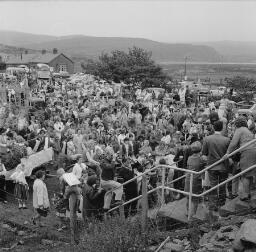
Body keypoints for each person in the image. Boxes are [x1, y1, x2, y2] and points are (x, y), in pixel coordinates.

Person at [202, 120, 230, 214]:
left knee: (213, 186)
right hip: (223, 166)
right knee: (222, 185)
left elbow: (204, 154)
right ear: (222, 128)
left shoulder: (207, 139)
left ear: (213, 128)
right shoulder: (226, 139)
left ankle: (213, 205)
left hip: (212, 166)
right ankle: (222, 204)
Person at [225, 116, 256, 201]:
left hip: (247, 152)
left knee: (245, 175)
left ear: (237, 123)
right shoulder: (247, 130)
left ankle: (246, 195)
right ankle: (248, 193)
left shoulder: (240, 130)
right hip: (253, 151)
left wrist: (227, 153)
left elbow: (233, 143)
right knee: (249, 174)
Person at [184, 141, 206, 217]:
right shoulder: (201, 159)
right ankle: (193, 214)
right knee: (195, 199)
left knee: (188, 197)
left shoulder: (189, 158)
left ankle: (187, 212)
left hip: (188, 179)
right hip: (196, 180)